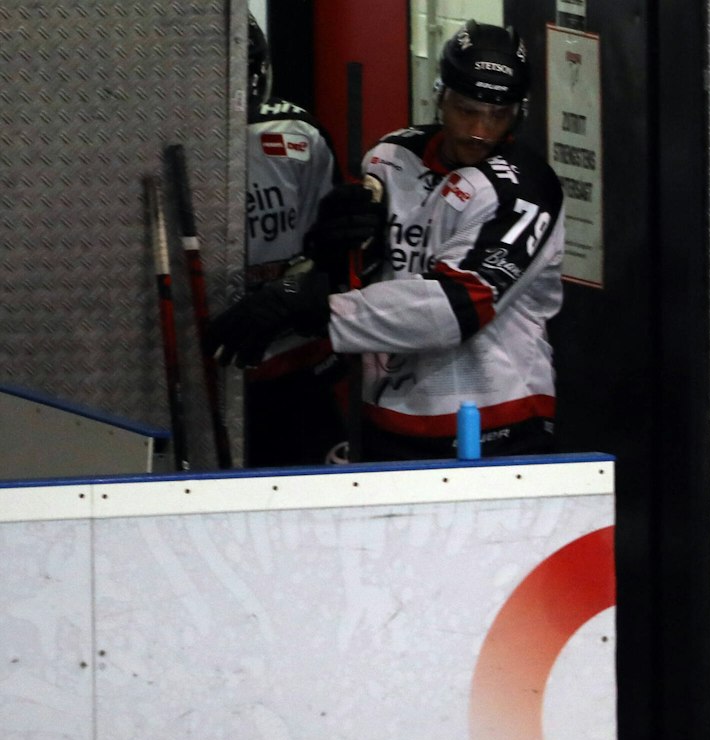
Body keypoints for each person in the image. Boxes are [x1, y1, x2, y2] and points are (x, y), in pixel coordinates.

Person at [211, 21, 566, 461]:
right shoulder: (391, 157)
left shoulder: (525, 188)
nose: (480, 130)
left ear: (519, 113)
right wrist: (333, 250)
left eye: (498, 115)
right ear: (439, 95)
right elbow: (371, 274)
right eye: (466, 109)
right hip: (388, 417)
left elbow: (458, 306)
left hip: (497, 423)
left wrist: (316, 308)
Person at [239, 13, 348, 466]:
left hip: (296, 364)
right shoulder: (156, 140)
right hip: (208, 367)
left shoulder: (297, 138)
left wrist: (290, 292)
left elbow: (336, 256)